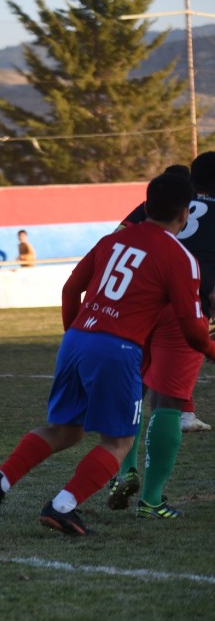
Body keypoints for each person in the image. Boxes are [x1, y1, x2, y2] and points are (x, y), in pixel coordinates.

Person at [0, 172, 215, 537]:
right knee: (119, 442)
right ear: (183, 214)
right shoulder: (180, 257)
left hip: (78, 339)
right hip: (116, 349)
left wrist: (75, 332)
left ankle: (0, 480)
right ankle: (63, 506)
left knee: (64, 430)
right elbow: (194, 330)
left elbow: (72, 289)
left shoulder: (111, 240)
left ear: (147, 205)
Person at [107, 153, 215, 519]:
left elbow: (119, 237)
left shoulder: (165, 200)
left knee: (133, 390)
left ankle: (124, 470)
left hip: (142, 305)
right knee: (168, 402)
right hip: (187, 309)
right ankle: (152, 499)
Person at [117, 163, 211, 433]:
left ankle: (127, 434)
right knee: (177, 357)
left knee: (143, 366)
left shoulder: (149, 207)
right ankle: (183, 414)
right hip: (186, 290)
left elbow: (117, 235)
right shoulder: (196, 208)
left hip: (147, 294)